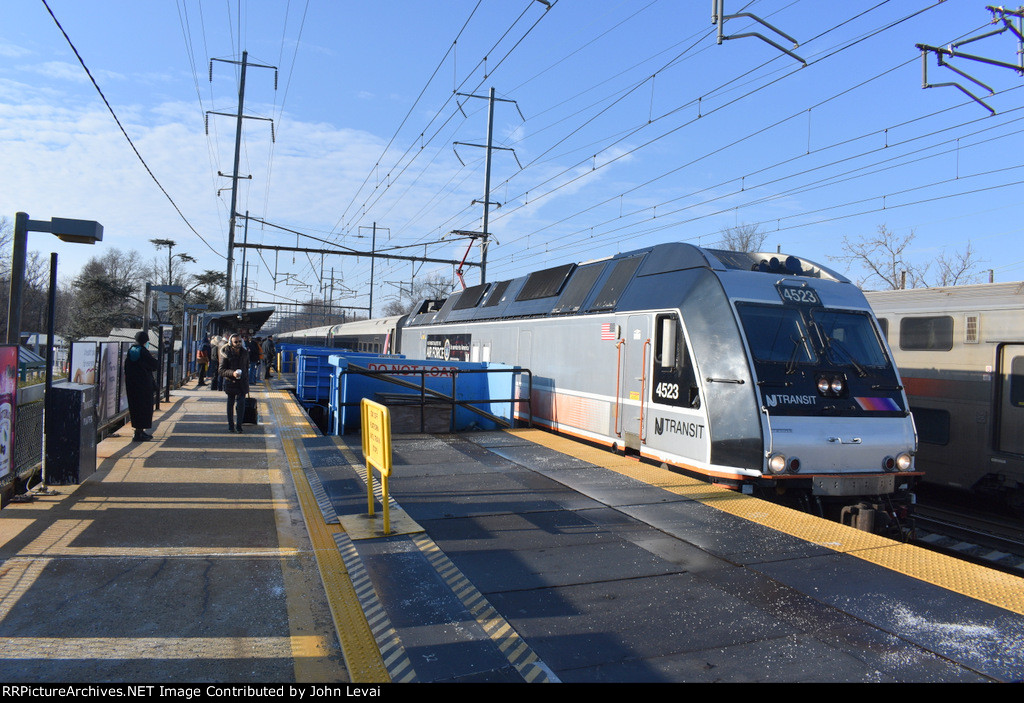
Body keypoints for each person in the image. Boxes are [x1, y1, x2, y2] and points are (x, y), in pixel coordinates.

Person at [124, 330, 159, 442]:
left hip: (132, 386)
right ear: (145, 341)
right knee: (145, 409)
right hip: (144, 385)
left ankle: (138, 431)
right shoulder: (144, 352)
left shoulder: (131, 351)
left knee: (135, 408)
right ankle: (140, 432)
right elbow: (155, 365)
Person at [219, 333, 249, 433]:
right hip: (230, 382)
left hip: (242, 383)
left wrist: (246, 380)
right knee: (230, 404)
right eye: (235, 342)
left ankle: (239, 426)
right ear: (231, 343)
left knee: (241, 404)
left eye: (240, 341)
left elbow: (246, 368)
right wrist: (233, 373)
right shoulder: (225, 353)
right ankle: (231, 425)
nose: (238, 343)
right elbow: (221, 370)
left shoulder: (245, 353)